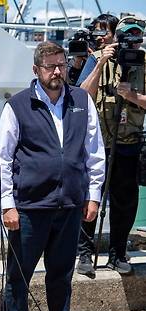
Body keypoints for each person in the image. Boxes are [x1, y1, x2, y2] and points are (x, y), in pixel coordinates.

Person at [0, 42, 105, 311]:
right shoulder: (17, 105)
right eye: (50, 67)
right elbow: (2, 158)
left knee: (62, 274)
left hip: (70, 204)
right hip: (30, 206)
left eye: (62, 65)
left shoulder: (82, 101)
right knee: (19, 274)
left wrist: (93, 195)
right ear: (36, 70)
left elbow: (95, 152)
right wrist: (7, 204)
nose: (57, 72)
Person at [75, 15, 146, 276]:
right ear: (116, 36)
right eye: (126, 36)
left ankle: (118, 253)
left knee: (125, 202)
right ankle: (84, 252)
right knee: (90, 198)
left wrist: (132, 96)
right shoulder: (98, 59)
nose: (131, 43)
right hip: (97, 144)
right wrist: (101, 61)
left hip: (129, 143)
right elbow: (81, 94)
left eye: (136, 38)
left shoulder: (144, 63)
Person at [67, 14, 118, 86]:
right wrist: (77, 63)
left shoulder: (118, 57)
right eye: (97, 32)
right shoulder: (84, 53)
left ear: (115, 35)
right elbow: (70, 87)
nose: (99, 37)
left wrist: (97, 60)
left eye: (104, 33)